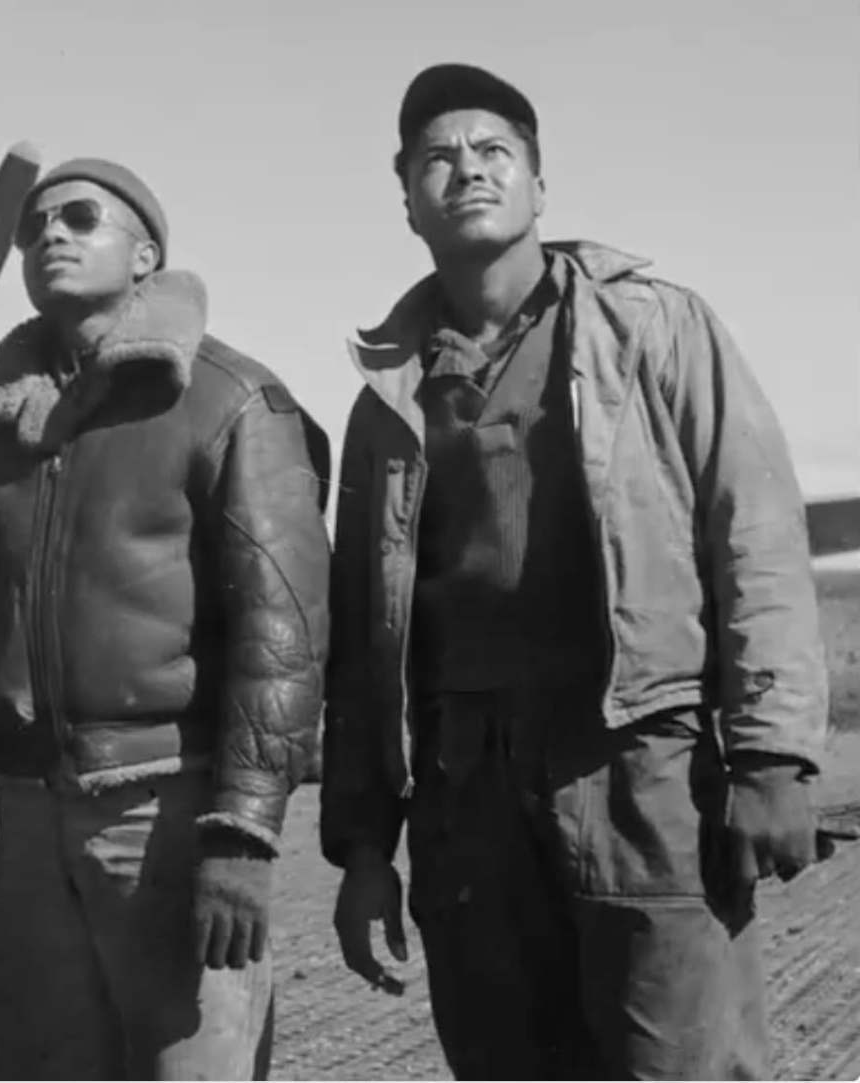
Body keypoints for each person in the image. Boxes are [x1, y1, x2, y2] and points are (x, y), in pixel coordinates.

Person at [321, 62, 830, 1079]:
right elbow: (365, 647)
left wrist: (774, 755)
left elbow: (754, 534)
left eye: (493, 152)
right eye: (437, 158)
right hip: (466, 795)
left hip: (638, 768)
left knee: (680, 1060)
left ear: (539, 186)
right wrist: (367, 847)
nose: (466, 170)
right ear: (407, 197)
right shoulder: (387, 398)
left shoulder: (651, 328)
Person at [0, 158, 332, 1079]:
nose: (51, 235)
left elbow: (283, 636)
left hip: (170, 807)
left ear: (146, 255)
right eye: (34, 226)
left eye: (82, 217)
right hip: (31, 820)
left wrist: (241, 834)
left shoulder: (230, 400)